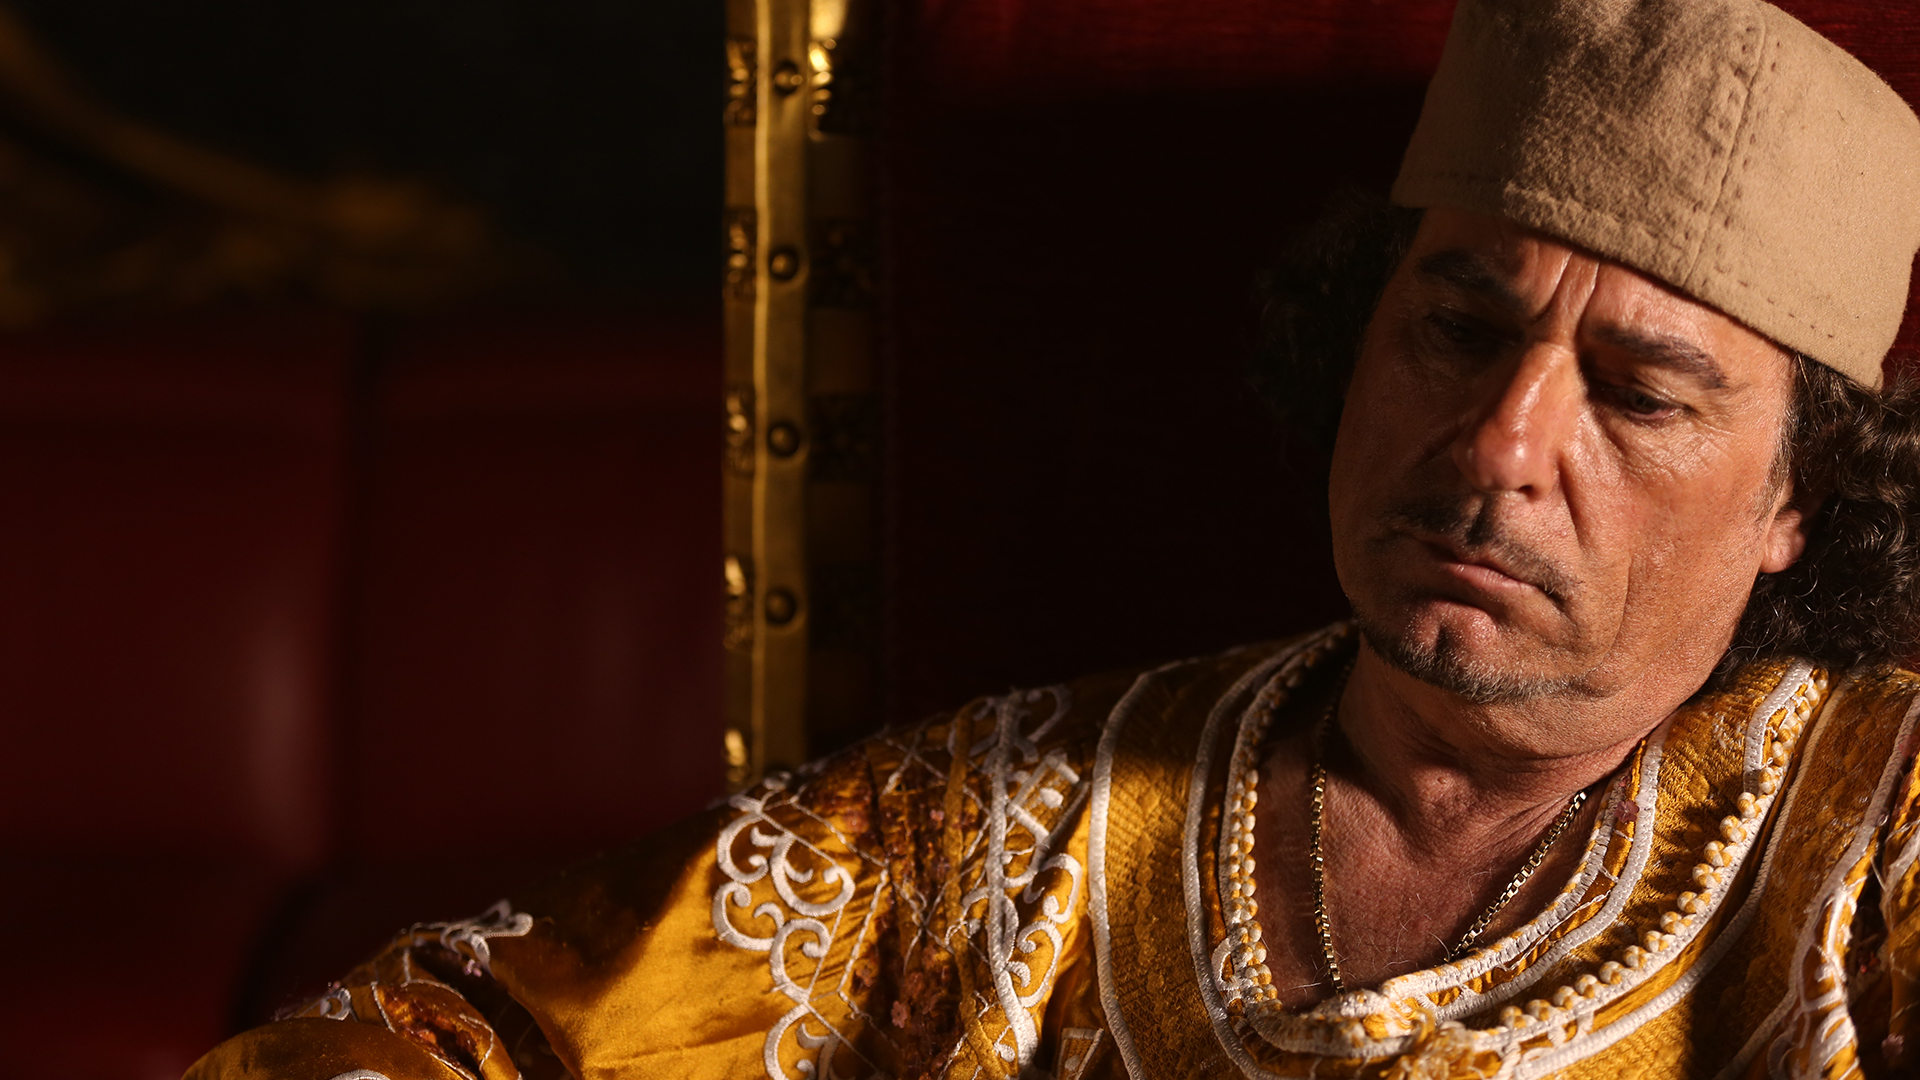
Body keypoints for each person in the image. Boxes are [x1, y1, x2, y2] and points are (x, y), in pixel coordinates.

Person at [188, 0, 1920, 1077]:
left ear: (1800, 499)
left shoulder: (1877, 843)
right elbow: (449, 1041)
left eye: (1638, 392)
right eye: (1458, 331)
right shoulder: (989, 833)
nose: (1499, 444)